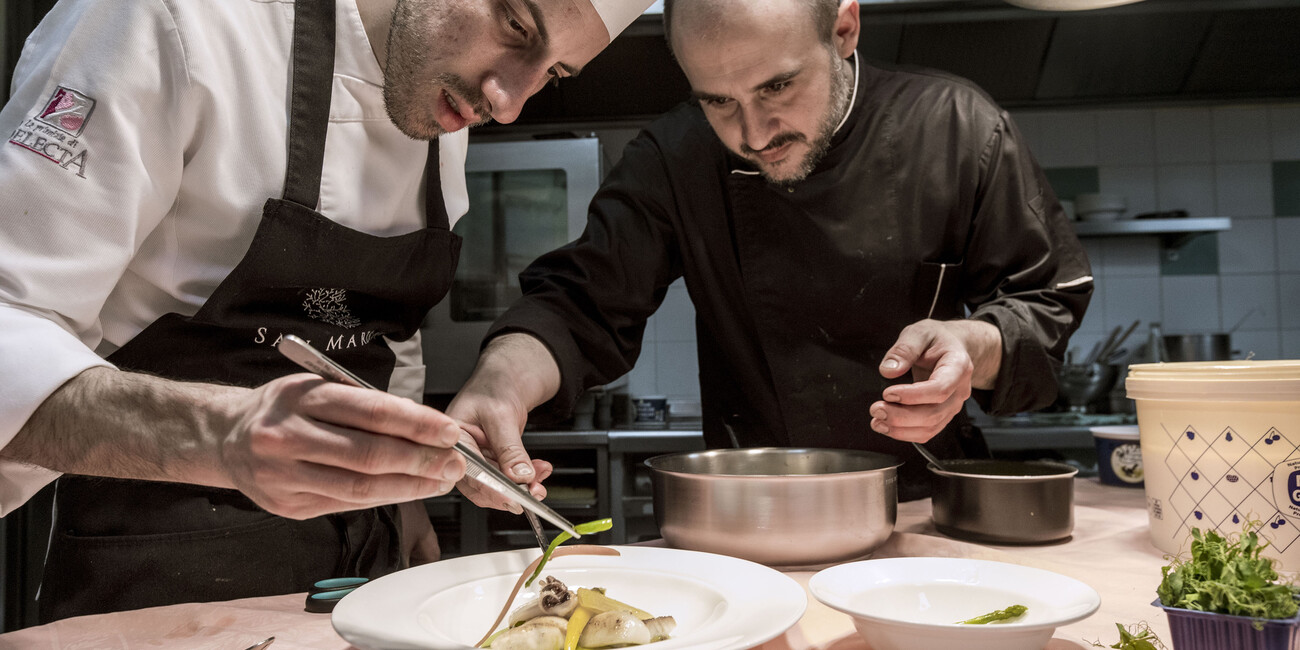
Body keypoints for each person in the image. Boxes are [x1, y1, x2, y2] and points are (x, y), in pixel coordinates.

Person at [0, 0, 653, 622]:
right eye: (515, 24)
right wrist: (222, 438)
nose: (508, 102)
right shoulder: (168, 21)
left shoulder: (448, 92)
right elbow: (11, 329)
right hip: (155, 570)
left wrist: (405, 498)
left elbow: (385, 329)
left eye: (554, 73)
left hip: (359, 569)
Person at [446, 0, 1094, 502]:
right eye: (718, 101)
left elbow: (1045, 305)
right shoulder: (676, 156)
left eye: (777, 88)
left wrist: (974, 346)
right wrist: (500, 385)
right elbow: (579, 305)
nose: (753, 134)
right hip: (750, 511)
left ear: (843, 29)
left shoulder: (957, 127)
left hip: (927, 505)